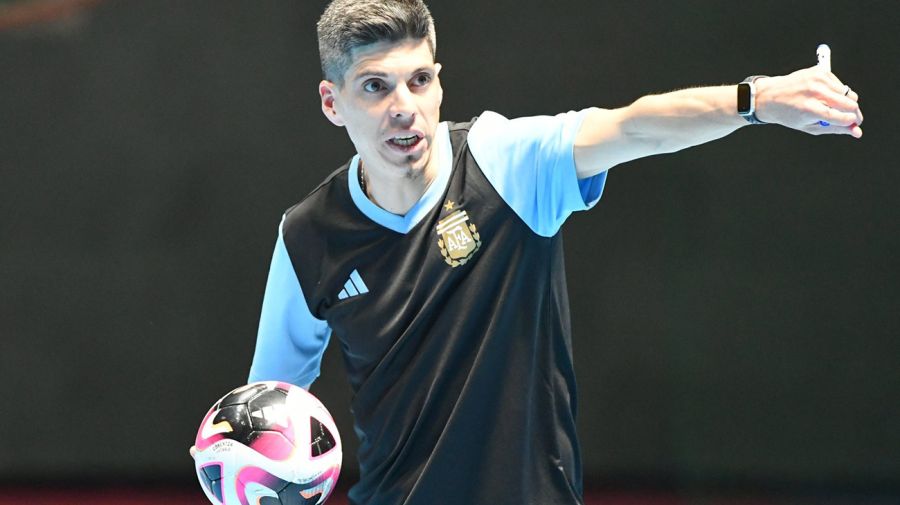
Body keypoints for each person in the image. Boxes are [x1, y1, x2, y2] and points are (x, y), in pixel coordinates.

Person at [246, 1, 864, 504]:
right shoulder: (308, 235)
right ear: (333, 102)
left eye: (420, 79)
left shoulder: (505, 162)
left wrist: (756, 100)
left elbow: (634, 125)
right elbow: (267, 407)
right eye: (375, 87)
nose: (404, 106)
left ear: (439, 82)